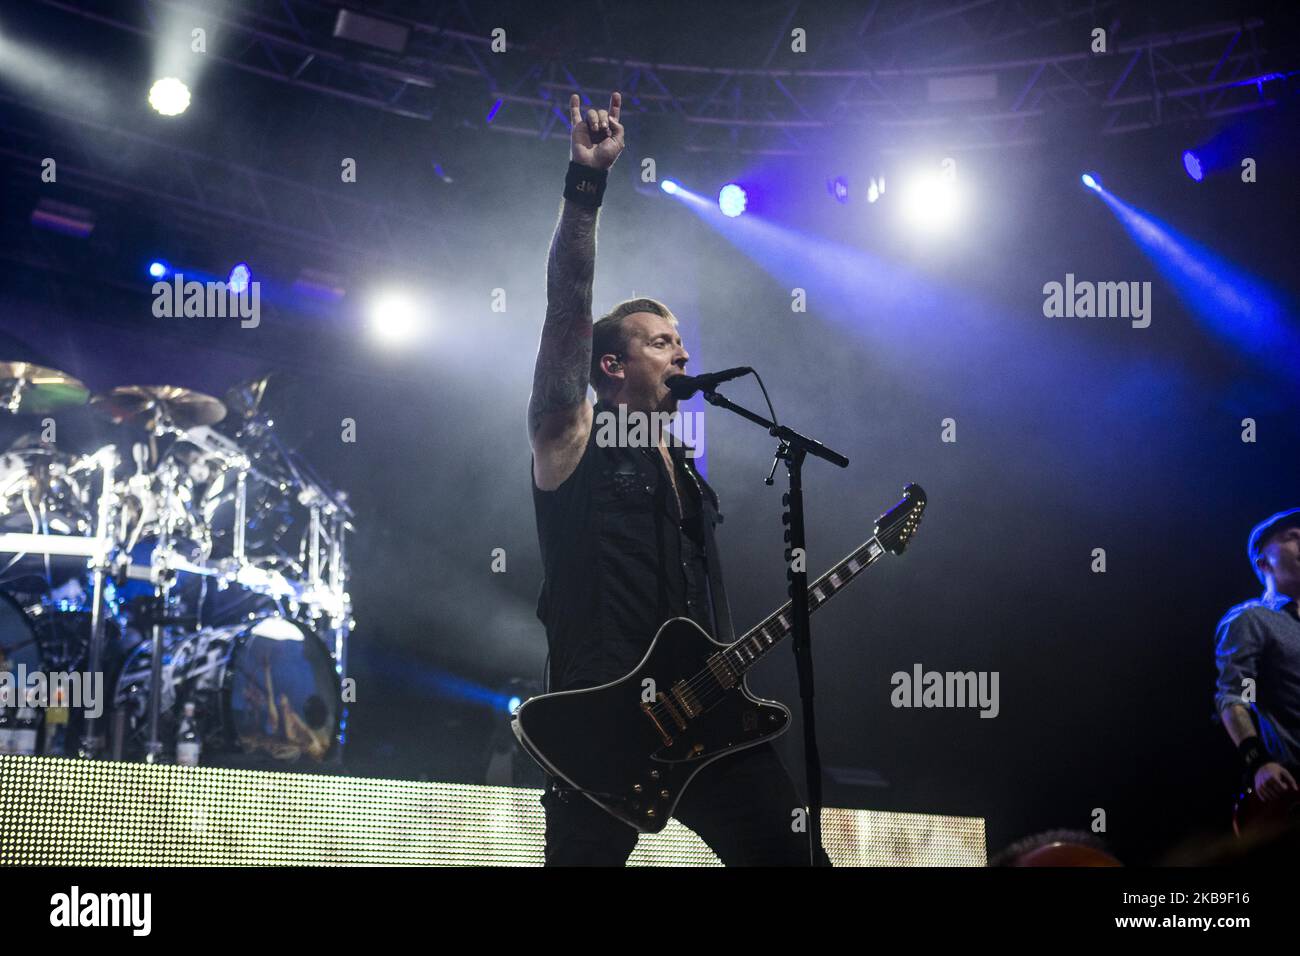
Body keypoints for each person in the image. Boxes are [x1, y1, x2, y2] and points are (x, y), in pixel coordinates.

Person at [527, 91, 812, 866]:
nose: (682, 354)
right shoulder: (572, 433)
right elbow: (566, 310)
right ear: (612, 364)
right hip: (602, 729)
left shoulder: (687, 469)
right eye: (660, 342)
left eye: (682, 341)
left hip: (706, 723)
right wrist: (586, 186)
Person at [1214, 508, 1300, 806]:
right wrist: (1258, 761)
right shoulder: (1252, 619)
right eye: (1292, 538)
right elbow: (1235, 695)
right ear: (1264, 562)